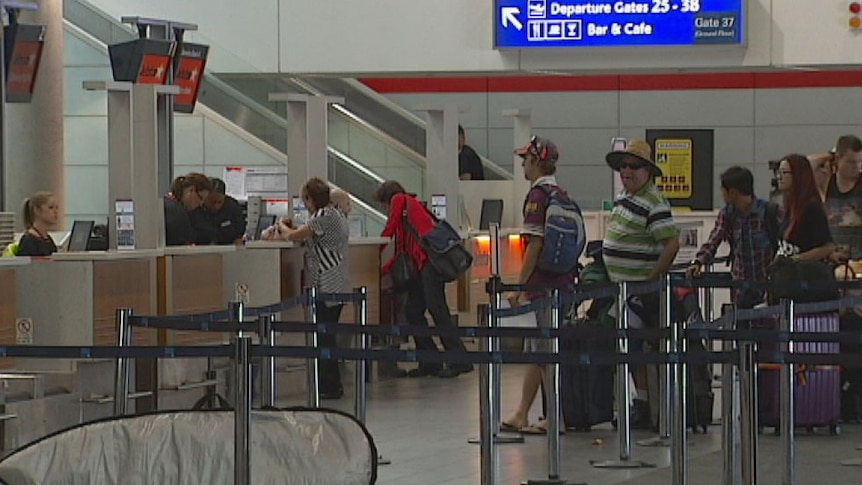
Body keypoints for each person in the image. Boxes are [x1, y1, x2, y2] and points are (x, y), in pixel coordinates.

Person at [501, 135, 577, 434]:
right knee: (538, 351)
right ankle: (522, 412)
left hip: (544, 285)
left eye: (526, 160)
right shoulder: (560, 192)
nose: (523, 165)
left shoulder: (537, 196)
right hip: (562, 280)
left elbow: (535, 244)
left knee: (545, 353)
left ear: (536, 161)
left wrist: (519, 287)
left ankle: (557, 416)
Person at [603, 139, 680, 427]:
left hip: (640, 294)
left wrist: (649, 282)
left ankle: (648, 403)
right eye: (623, 166)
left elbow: (671, 244)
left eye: (634, 166)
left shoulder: (654, 202)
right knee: (629, 350)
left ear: (648, 171)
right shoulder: (624, 198)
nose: (627, 171)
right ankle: (641, 401)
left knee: (637, 349)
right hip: (622, 292)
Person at [374, 180, 473, 378]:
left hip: (429, 263)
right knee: (413, 311)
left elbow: (389, 230)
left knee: (437, 309)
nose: (386, 209)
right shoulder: (409, 208)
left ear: (388, 198)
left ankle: (459, 361)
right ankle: (430, 361)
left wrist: (376, 252)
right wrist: (384, 268)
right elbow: (402, 248)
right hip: (423, 265)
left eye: (384, 205)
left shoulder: (399, 199)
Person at [267, 177, 350, 399]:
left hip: (326, 281)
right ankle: (329, 383)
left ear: (311, 199)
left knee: (324, 334)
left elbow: (293, 236)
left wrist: (282, 225)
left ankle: (329, 385)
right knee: (327, 333)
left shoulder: (324, 216)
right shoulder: (336, 215)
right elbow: (309, 234)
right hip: (336, 279)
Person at [686, 166, 780, 308]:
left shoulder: (769, 212)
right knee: (739, 327)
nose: (722, 195)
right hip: (740, 289)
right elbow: (714, 240)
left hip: (768, 288)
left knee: (769, 327)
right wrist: (698, 262)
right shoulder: (728, 214)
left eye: (724, 191)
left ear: (733, 192)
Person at [775, 154, 835, 261]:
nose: (779, 177)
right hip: (786, 274)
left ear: (798, 175)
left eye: (784, 172)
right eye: (778, 172)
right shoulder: (789, 206)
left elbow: (827, 247)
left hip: (805, 274)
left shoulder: (811, 208)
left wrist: (796, 259)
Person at [190, 178, 246, 245]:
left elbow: (239, 230)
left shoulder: (233, 207)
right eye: (212, 202)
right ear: (204, 198)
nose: (216, 206)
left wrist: (238, 239)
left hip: (227, 248)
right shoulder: (195, 208)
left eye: (219, 202)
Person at [164, 173, 212, 246]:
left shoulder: (165, 203)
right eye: (200, 198)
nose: (200, 204)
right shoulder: (178, 214)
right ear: (191, 190)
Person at [17, 191, 59, 257]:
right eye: (51, 207)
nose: (56, 212)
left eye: (57, 208)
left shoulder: (48, 240)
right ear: (37, 210)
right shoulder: (29, 241)